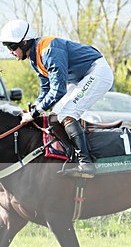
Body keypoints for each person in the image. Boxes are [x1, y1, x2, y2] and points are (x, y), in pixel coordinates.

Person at [0, 19, 114, 178]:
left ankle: (86, 163)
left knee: (68, 113)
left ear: (25, 42)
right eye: (7, 47)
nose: (10, 51)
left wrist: (34, 114)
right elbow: (45, 88)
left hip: (98, 72)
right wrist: (35, 108)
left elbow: (58, 90)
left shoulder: (49, 50)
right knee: (56, 114)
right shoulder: (35, 57)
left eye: (12, 46)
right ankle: (71, 155)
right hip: (82, 78)